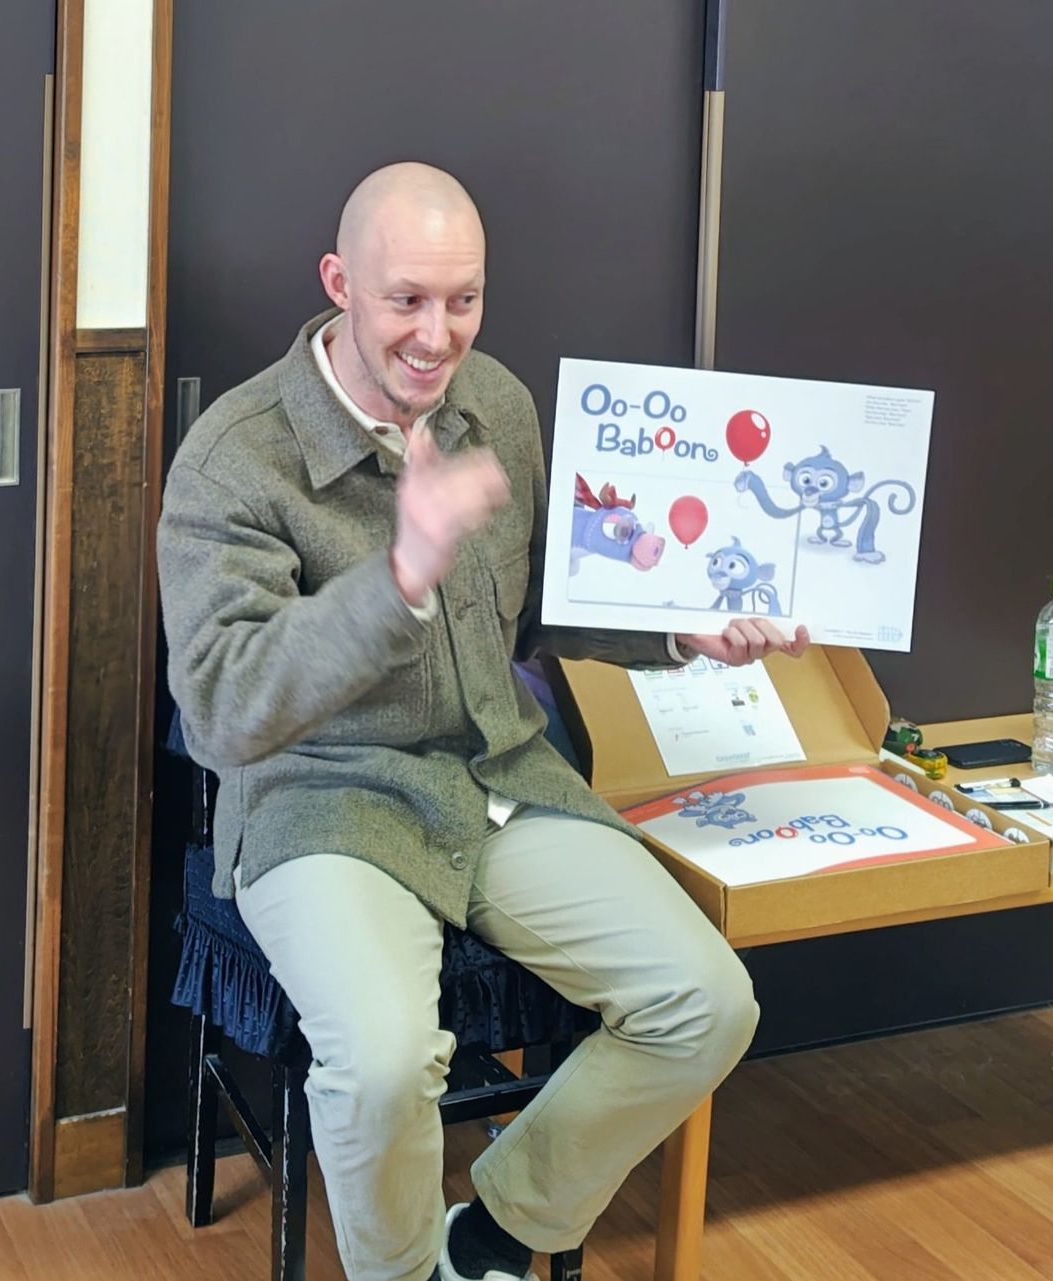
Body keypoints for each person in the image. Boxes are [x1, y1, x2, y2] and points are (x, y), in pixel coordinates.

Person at [158, 162, 810, 1281]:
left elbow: (544, 598)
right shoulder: (236, 455)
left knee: (706, 1003)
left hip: (497, 776)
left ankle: (494, 1234)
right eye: (406, 300)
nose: (437, 335)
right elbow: (220, 704)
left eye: (463, 300)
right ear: (338, 283)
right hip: (321, 801)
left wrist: (679, 625)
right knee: (379, 1067)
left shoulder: (495, 403)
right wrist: (399, 575)